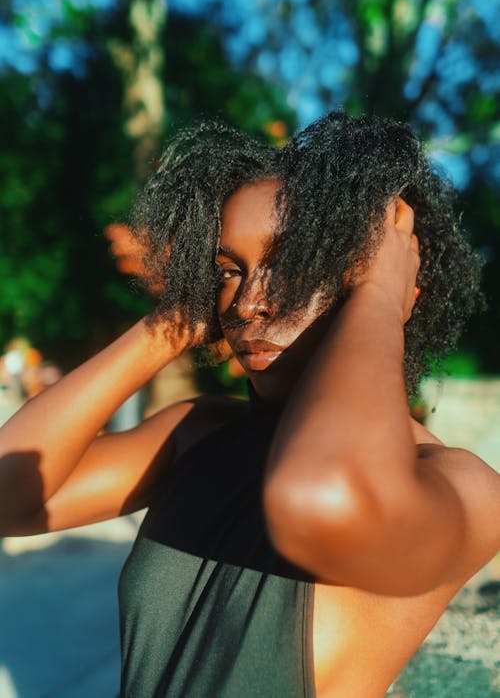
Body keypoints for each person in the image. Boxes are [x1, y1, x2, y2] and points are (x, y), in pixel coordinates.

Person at [0, 112, 499, 698]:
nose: (249, 303)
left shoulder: (462, 486)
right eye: (229, 271)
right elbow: (11, 494)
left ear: (378, 282)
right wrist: (176, 320)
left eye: (292, 264)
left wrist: (386, 297)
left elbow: (320, 496)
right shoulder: (199, 434)